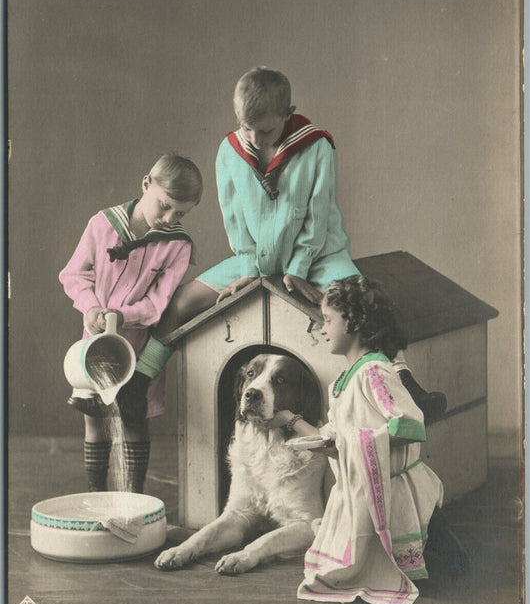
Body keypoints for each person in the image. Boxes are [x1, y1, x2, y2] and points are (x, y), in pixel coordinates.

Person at [118, 67, 445, 421]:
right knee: (180, 302)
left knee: (365, 304)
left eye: (266, 130)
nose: (256, 139)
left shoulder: (318, 146)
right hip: (255, 258)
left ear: (288, 114)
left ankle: (408, 389)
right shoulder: (228, 152)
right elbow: (236, 221)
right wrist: (248, 270)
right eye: (246, 128)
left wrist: (298, 271)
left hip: (319, 255)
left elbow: (317, 220)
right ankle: (140, 383)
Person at [270, 276, 465, 604]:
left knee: (449, 568)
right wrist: (306, 430)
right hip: (364, 490)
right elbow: (334, 434)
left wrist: (352, 443)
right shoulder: (343, 381)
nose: (322, 329)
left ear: (354, 321)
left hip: (395, 490)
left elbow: (410, 424)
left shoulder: (375, 372)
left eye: (328, 320)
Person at [59, 153, 203, 493]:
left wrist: (125, 316)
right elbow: (74, 274)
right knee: (95, 417)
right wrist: (91, 307)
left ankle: (134, 497)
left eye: (180, 213)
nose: (169, 218)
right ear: (145, 184)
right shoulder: (102, 224)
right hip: (96, 340)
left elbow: (158, 303)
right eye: (164, 206)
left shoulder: (177, 246)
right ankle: (96, 493)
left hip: (139, 345)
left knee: (135, 419)